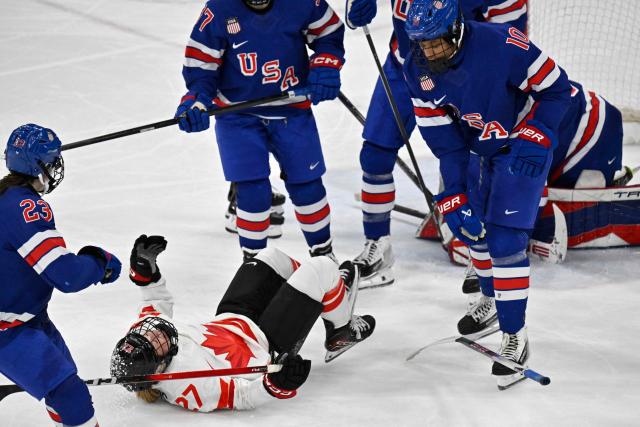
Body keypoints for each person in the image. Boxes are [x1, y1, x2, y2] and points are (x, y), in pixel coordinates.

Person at [402, 0, 573, 389]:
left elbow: (558, 88)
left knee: (506, 238)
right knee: (471, 228)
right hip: (478, 147)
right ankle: (493, 299)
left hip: (522, 144)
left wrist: (539, 134)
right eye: (422, 45)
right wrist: (454, 196)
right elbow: (446, 145)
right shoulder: (417, 69)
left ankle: (516, 336)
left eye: (436, 43)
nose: (429, 53)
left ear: (458, 30)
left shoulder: (503, 44)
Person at [344, 0, 528, 288]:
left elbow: (512, 38)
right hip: (403, 67)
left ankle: (480, 256)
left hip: (460, 76)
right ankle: (377, 245)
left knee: (476, 160)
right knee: (375, 154)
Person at [110, 234, 375, 411]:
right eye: (156, 343)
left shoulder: (144, 337)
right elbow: (242, 396)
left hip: (233, 316)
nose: (154, 332)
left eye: (148, 334)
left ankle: (331, 293)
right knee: (322, 268)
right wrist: (277, 384)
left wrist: (145, 270)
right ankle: (341, 331)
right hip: (268, 340)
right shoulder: (191, 387)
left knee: (270, 257)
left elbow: (154, 300)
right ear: (158, 367)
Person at [175, 0, 345, 261]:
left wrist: (325, 65)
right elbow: (201, 66)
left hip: (292, 110)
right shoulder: (219, 9)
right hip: (237, 114)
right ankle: (254, 264)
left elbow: (329, 33)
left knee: (308, 186)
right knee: (253, 190)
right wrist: (196, 100)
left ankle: (324, 257)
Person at [0, 124, 121, 426]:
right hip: (8, 328)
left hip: (26, 317)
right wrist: (99, 262)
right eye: (52, 160)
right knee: (71, 397)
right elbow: (65, 275)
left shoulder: (6, 197)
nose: (56, 166)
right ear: (36, 165)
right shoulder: (25, 207)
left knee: (67, 389)